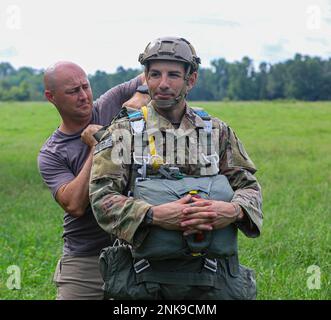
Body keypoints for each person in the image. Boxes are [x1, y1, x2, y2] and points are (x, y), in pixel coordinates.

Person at [89, 37, 263, 300]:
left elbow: (249, 187)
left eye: (173, 75)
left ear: (191, 80)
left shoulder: (216, 132)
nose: (163, 84)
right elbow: (102, 199)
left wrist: (232, 210)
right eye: (155, 74)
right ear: (145, 77)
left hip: (212, 280)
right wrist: (154, 215)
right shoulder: (123, 132)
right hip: (142, 280)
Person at [37, 61, 150, 300]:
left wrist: (141, 94)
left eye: (85, 87)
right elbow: (75, 205)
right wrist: (99, 144)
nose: (83, 96)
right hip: (86, 256)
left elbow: (154, 73)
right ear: (51, 96)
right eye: (73, 91)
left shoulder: (110, 103)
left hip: (141, 247)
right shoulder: (52, 153)